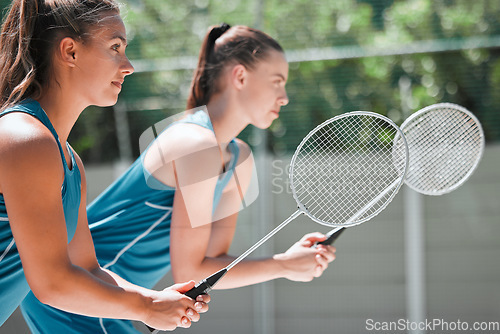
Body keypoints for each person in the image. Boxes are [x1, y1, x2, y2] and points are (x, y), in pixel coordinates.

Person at [20, 23, 336, 333]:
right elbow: (189, 269)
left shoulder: (240, 159)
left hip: (117, 297)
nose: (284, 97)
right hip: (81, 290)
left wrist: (288, 263)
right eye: (277, 82)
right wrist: (283, 264)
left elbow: (210, 262)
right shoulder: (196, 145)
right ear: (240, 76)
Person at [0, 0, 209, 331]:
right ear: (70, 51)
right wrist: (148, 307)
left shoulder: (68, 160)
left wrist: (157, 298)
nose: (128, 66)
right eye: (115, 47)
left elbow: (86, 268)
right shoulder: (25, 140)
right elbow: (52, 284)